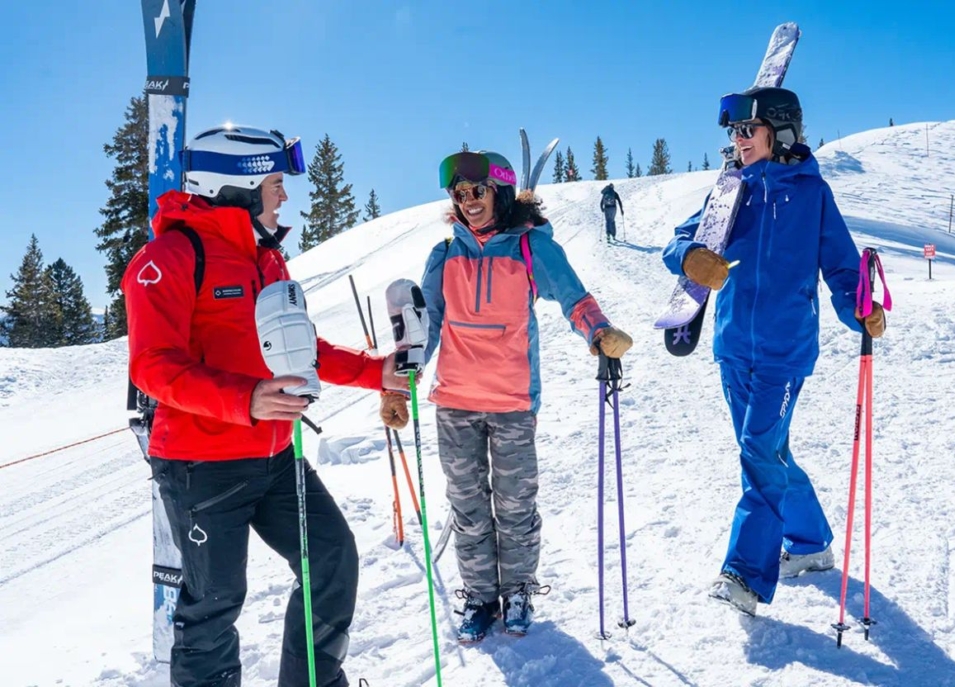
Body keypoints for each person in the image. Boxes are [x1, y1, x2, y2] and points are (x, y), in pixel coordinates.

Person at [123, 124, 411, 686]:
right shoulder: (168, 258)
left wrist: (376, 372)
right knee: (215, 604)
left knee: (332, 560)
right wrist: (246, 400)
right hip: (202, 467)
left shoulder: (265, 259)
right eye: (275, 182)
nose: (283, 194)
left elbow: (304, 348)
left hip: (276, 458)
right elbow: (153, 367)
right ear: (240, 185)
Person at [661, 88, 886, 616]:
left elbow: (841, 265)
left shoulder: (812, 194)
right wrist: (690, 256)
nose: (737, 141)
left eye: (747, 130)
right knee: (768, 451)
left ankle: (745, 575)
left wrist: (861, 307)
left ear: (779, 131)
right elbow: (678, 240)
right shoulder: (729, 192)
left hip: (785, 350)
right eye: (733, 133)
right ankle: (810, 544)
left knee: (758, 450)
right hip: (733, 344)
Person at [420, 150, 633, 642]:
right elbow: (427, 325)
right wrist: (400, 371)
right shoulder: (444, 254)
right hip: (454, 400)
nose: (469, 202)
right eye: (460, 194)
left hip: (512, 401)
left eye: (478, 192)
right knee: (467, 504)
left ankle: (516, 589)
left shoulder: (531, 247)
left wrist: (598, 333)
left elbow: (574, 298)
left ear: (498, 191)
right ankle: (479, 595)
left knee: (515, 504)